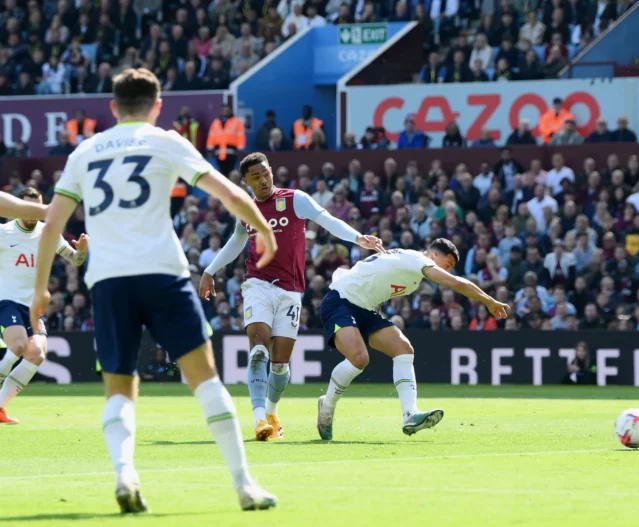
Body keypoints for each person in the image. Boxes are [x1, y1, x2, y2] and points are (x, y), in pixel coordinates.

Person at [31, 68, 279, 513]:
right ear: (158, 105)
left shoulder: (85, 151)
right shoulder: (166, 141)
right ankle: (244, 486)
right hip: (163, 274)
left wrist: (39, 291)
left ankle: (125, 475)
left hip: (108, 280)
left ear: (113, 107)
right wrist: (265, 229)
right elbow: (226, 193)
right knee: (206, 380)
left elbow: (53, 224)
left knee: (119, 390)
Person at [199, 152, 384, 441]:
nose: (263, 180)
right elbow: (237, 241)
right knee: (259, 349)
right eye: (255, 177)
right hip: (257, 285)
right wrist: (210, 270)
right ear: (246, 182)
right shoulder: (245, 209)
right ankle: (259, 418)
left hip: (290, 291)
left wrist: (359, 238)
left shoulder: (294, 199)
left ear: (271, 171)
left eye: (265, 173)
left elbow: (326, 219)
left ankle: (272, 413)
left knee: (280, 365)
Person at [316, 239, 509, 439]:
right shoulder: (417, 260)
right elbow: (456, 283)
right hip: (340, 301)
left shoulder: (413, 274)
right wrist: (489, 300)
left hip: (365, 308)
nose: (448, 271)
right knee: (359, 359)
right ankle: (327, 408)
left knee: (403, 349)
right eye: (448, 265)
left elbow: (375, 281)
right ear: (433, 256)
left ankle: (410, 414)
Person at [0, 188, 88, 424]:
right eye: (26, 207)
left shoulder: (48, 232)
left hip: (33, 307)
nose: (31, 213)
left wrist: (81, 252)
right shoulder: (3, 233)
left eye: (35, 208)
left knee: (36, 354)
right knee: (18, 346)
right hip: (7, 302)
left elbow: (74, 260)